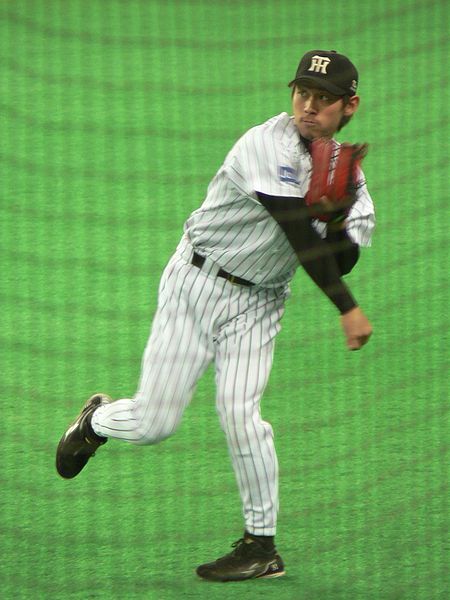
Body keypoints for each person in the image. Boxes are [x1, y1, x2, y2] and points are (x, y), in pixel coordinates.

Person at [56, 49, 375, 582]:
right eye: (303, 92)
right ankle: (95, 422)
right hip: (196, 284)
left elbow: (342, 259)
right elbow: (299, 236)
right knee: (155, 423)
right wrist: (349, 308)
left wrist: (339, 220)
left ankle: (260, 546)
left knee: (241, 414)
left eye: (324, 98)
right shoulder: (264, 144)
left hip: (259, 304)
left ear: (349, 106)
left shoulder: (351, 179)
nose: (309, 106)